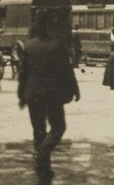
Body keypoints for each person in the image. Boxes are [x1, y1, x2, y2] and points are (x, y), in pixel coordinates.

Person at [17, 26, 80, 173]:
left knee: (38, 130)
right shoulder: (57, 46)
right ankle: (42, 154)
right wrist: (74, 89)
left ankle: (43, 166)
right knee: (58, 127)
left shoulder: (29, 47)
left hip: (33, 94)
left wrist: (22, 95)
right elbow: (67, 71)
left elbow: (23, 73)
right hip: (52, 94)